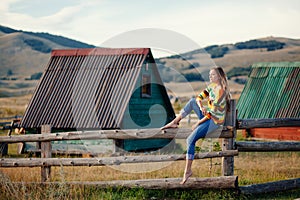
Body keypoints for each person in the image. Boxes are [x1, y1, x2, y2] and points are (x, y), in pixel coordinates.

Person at [161, 67, 231, 184]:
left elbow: (212, 114)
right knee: (192, 101)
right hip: (208, 116)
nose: (210, 77)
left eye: (212, 75)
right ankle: (175, 122)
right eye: (209, 75)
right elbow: (199, 98)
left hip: (214, 122)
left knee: (190, 140)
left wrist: (198, 123)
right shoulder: (211, 88)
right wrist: (201, 107)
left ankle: (187, 171)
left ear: (219, 76)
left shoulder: (220, 91)